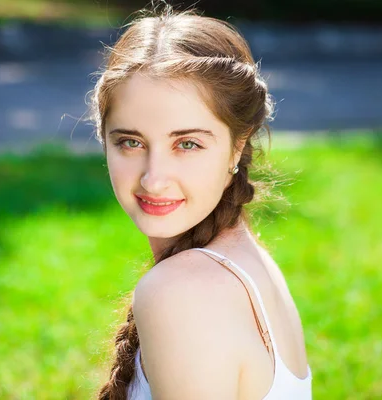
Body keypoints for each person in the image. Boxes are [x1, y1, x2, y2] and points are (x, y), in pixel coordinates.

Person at [90, 4, 312, 399]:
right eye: (131, 142)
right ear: (103, 138)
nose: (153, 178)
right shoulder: (245, 260)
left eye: (187, 144)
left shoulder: (185, 292)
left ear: (236, 147)